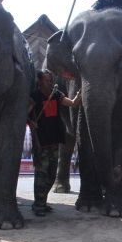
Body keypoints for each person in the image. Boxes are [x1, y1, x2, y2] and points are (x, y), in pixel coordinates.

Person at [27, 70, 81, 216]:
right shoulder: (34, 96)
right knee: (41, 173)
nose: (49, 83)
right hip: (41, 141)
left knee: (51, 174)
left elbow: (72, 104)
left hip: (54, 139)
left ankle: (43, 202)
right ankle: (38, 204)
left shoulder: (56, 94)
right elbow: (25, 113)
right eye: (46, 81)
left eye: (50, 80)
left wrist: (79, 94)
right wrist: (31, 123)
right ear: (39, 81)